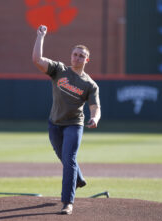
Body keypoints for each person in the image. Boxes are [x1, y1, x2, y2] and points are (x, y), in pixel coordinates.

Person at [32, 25, 101, 215]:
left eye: (81, 55)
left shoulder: (89, 84)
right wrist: (40, 36)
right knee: (63, 156)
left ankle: (67, 202)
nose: (77, 57)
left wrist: (94, 118)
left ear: (87, 59)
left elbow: (95, 107)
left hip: (74, 124)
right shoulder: (59, 70)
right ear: (71, 56)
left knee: (69, 158)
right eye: (75, 54)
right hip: (55, 123)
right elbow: (37, 59)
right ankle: (78, 178)